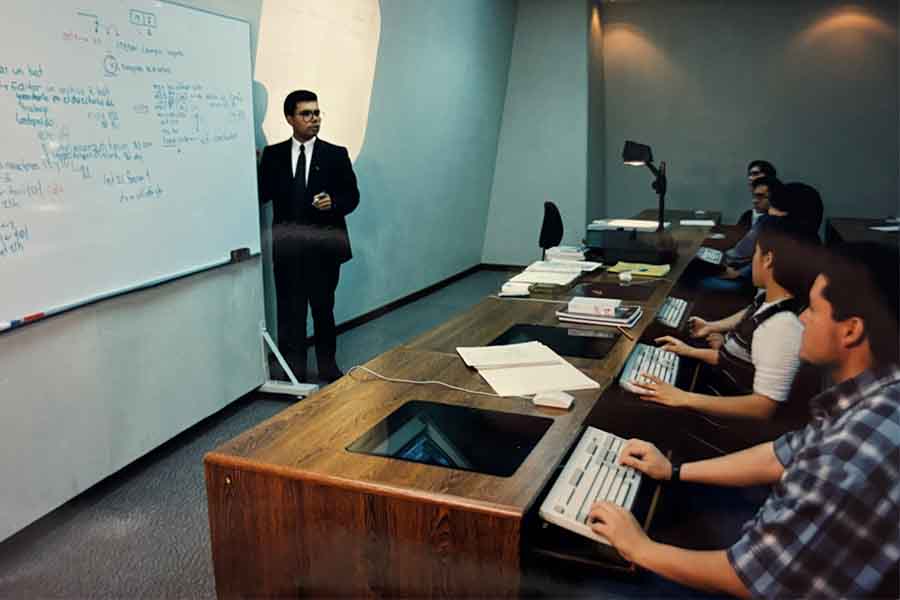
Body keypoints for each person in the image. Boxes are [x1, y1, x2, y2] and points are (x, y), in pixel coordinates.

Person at [589, 241, 900, 598]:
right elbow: (779, 454)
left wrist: (638, 549)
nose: (802, 318)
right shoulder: (874, 399)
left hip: (753, 578)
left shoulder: (853, 451)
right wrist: (674, 471)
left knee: (589, 584)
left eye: (813, 310)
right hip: (770, 551)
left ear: (851, 330)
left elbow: (750, 578)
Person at [633, 218, 817, 420]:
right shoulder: (772, 301)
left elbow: (762, 408)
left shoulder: (782, 325)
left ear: (768, 259)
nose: (753, 259)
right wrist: (689, 351)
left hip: (724, 417)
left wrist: (683, 398)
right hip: (717, 386)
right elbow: (739, 362)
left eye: (756, 252)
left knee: (634, 409)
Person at [258, 90, 360, 383]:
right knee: (291, 314)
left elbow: (353, 196)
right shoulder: (274, 156)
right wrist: (250, 168)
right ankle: (296, 373)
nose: (313, 119)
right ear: (290, 118)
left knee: (322, 310)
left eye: (316, 113)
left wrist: (335, 202)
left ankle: (328, 367)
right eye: (306, 114)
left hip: (325, 249)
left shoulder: (336, 154)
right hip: (288, 248)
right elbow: (263, 195)